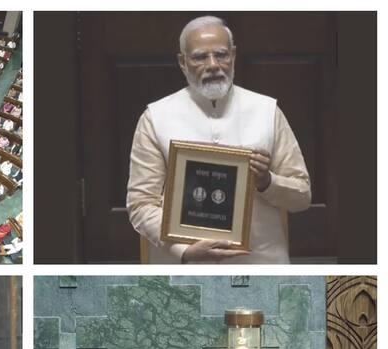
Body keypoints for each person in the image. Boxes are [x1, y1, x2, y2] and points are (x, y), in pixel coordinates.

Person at [126, 15, 311, 263]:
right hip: (185, 269)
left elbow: (302, 196)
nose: (213, 64)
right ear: (183, 62)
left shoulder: (267, 111)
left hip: (261, 264)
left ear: (233, 56)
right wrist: (185, 250)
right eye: (200, 57)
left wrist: (267, 181)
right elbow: (140, 204)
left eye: (221, 54)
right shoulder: (155, 118)